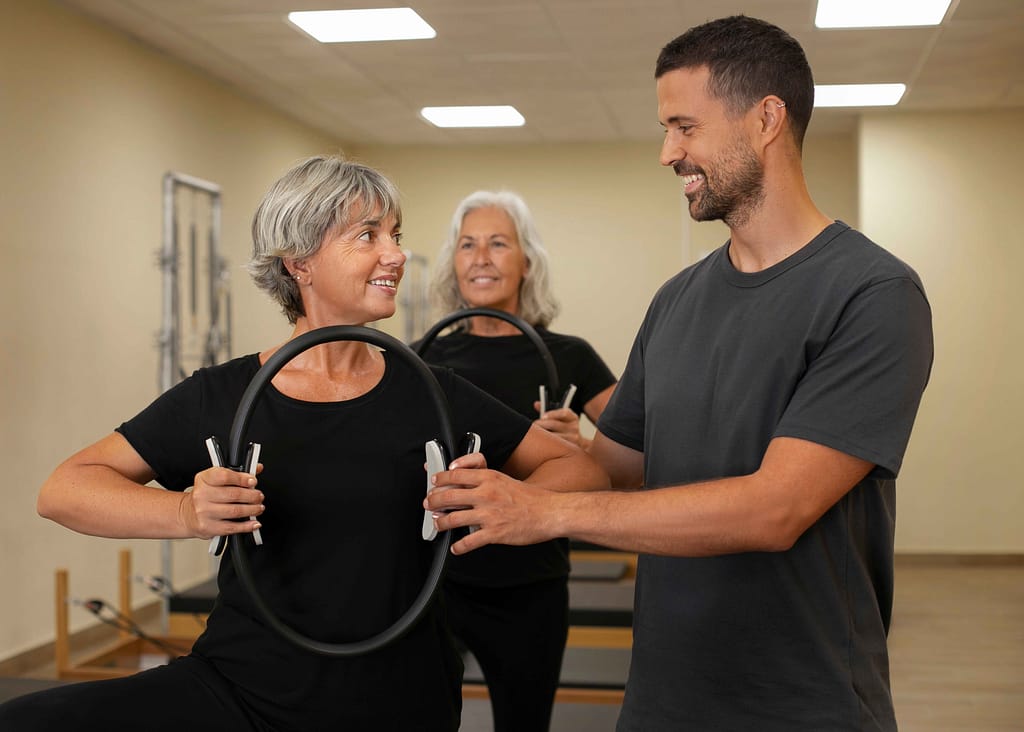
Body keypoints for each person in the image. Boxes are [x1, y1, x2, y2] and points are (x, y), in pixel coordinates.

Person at [425, 15, 934, 732]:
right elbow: (610, 465)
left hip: (803, 704)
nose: (668, 153)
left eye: (684, 126)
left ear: (765, 119)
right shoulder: (678, 301)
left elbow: (774, 509)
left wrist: (548, 513)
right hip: (663, 699)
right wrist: (498, 491)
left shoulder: (872, 294)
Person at [0, 156, 607, 732]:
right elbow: (64, 490)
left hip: (399, 697)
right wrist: (184, 511)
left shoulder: (434, 392)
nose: (395, 253)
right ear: (299, 262)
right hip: (244, 687)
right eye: (367, 235)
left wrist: (507, 498)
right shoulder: (224, 395)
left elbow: (579, 471)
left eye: (394, 233)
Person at [414, 190, 617, 732]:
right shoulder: (422, 358)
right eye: (467, 245)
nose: (480, 257)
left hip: (530, 588)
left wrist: (581, 448)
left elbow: (635, 461)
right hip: (437, 582)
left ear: (526, 262)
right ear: (453, 263)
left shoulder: (569, 355)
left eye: (498, 243)